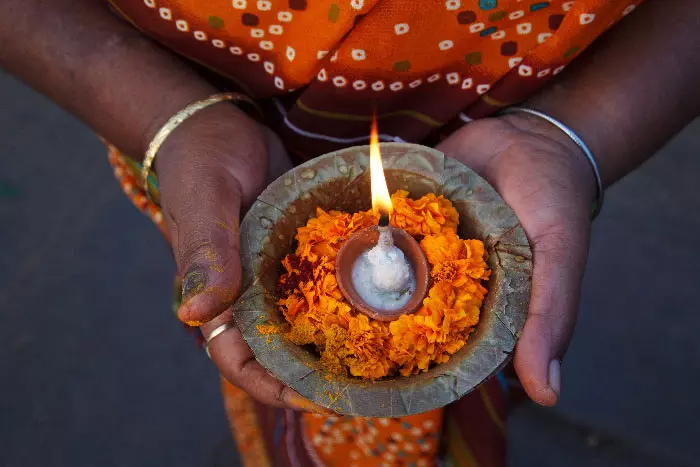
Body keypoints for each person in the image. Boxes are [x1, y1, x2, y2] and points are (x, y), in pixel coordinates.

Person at [2, 0, 698, 465]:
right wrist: (169, 117)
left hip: (509, 132)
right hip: (191, 127)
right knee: (280, 392)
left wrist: (575, 135)